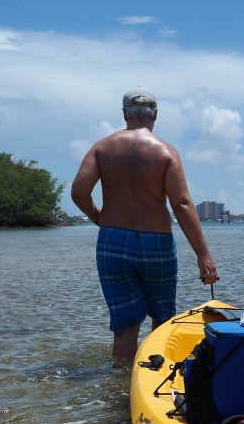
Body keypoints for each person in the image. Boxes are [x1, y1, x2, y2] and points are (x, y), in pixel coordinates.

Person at [71, 87, 218, 363]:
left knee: (126, 325)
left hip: (112, 242)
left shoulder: (102, 148)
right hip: (157, 243)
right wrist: (203, 255)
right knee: (163, 318)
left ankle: (119, 387)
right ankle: (154, 381)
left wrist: (98, 217)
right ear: (155, 116)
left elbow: (79, 192)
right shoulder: (165, 152)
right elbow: (182, 204)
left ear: (125, 114)